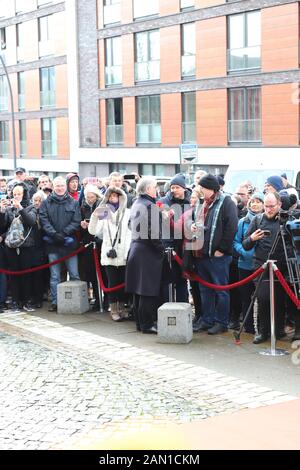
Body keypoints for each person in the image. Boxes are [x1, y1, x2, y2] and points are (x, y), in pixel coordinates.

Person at [191, 174, 238, 334]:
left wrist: (222, 250)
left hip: (218, 256)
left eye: (203, 188)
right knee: (205, 290)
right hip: (202, 254)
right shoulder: (200, 202)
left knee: (220, 290)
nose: (200, 190)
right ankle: (207, 320)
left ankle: (221, 322)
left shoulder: (227, 202)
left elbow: (231, 227)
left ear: (211, 188)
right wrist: (192, 226)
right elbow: (193, 220)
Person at [242, 192, 288, 343]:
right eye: (266, 206)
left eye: (271, 206)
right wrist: (252, 238)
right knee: (263, 299)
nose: (268, 209)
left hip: (282, 267)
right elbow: (245, 245)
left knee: (280, 299)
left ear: (279, 205)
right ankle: (263, 331)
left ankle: (279, 330)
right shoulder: (257, 219)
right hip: (261, 267)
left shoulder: (286, 219)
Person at [125, 177, 166, 334]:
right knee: (148, 290)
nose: (156, 190)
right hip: (147, 252)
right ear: (148, 189)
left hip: (136, 248)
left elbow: (130, 225)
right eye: (155, 187)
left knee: (139, 290)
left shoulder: (136, 203)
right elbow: (154, 233)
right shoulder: (150, 206)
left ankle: (140, 323)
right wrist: (161, 248)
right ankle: (147, 324)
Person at [39, 176, 81, 311]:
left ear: (65, 186)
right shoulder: (46, 203)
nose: (60, 188)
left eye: (62, 185)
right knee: (55, 276)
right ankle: (55, 302)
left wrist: (64, 233)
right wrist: (54, 234)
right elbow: (43, 220)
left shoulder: (73, 202)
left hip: (69, 244)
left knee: (74, 274)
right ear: (53, 187)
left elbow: (76, 221)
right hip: (52, 244)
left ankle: (76, 301)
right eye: (57, 186)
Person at [89, 186, 131, 321]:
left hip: (124, 252)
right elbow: (94, 231)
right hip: (109, 252)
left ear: (121, 197)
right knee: (112, 283)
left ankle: (122, 308)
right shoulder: (105, 212)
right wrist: (94, 216)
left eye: (116, 196)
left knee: (123, 283)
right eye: (111, 196)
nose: (113, 198)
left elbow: (131, 232)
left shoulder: (127, 213)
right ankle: (113, 310)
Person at [0, 185, 37, 312]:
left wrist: (20, 208)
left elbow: (31, 222)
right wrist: (2, 211)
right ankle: (15, 301)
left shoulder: (31, 207)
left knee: (26, 275)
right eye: (14, 194)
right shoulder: (9, 210)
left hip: (26, 247)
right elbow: (5, 227)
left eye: (19, 194)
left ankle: (26, 301)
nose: (16, 196)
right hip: (11, 247)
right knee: (14, 275)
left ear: (24, 194)